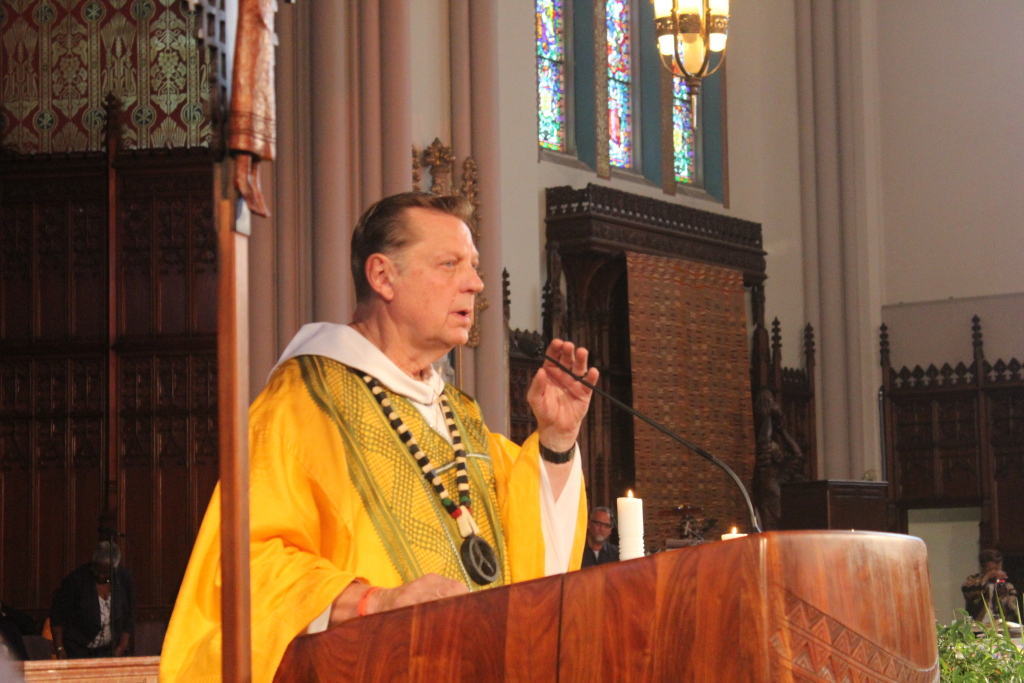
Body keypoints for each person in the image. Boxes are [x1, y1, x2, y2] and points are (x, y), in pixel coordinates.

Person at [161, 193, 600, 682]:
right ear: (382, 276)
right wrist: (375, 602)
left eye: (473, 266)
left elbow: (533, 561)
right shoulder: (303, 405)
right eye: (450, 264)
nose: (475, 283)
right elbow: (245, 566)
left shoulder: (462, 417)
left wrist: (557, 441)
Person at [49, 542, 135, 659]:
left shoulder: (124, 579)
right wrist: (60, 648)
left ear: (115, 569)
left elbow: (129, 615)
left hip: (109, 651)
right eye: (97, 570)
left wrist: (122, 646)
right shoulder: (76, 581)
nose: (100, 575)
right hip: (78, 650)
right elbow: (57, 616)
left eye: (106, 572)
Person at [962, 548, 1020, 622]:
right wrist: (986, 577)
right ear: (983, 568)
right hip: (978, 626)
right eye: (989, 569)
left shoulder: (1007, 586)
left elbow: (1014, 610)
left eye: (996, 569)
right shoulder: (973, 581)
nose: (994, 572)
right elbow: (967, 591)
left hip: (999, 626)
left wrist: (1005, 596)